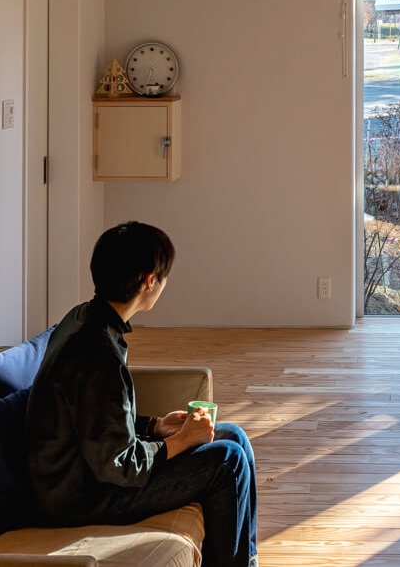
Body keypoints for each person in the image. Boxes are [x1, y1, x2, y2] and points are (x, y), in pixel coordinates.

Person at [27, 222, 258, 567]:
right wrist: (182, 440)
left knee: (233, 436)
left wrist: (155, 426)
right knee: (227, 461)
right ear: (150, 281)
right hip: (81, 495)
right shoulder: (98, 353)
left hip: (84, 471)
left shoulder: (83, 318)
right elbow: (120, 465)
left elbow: (95, 421)